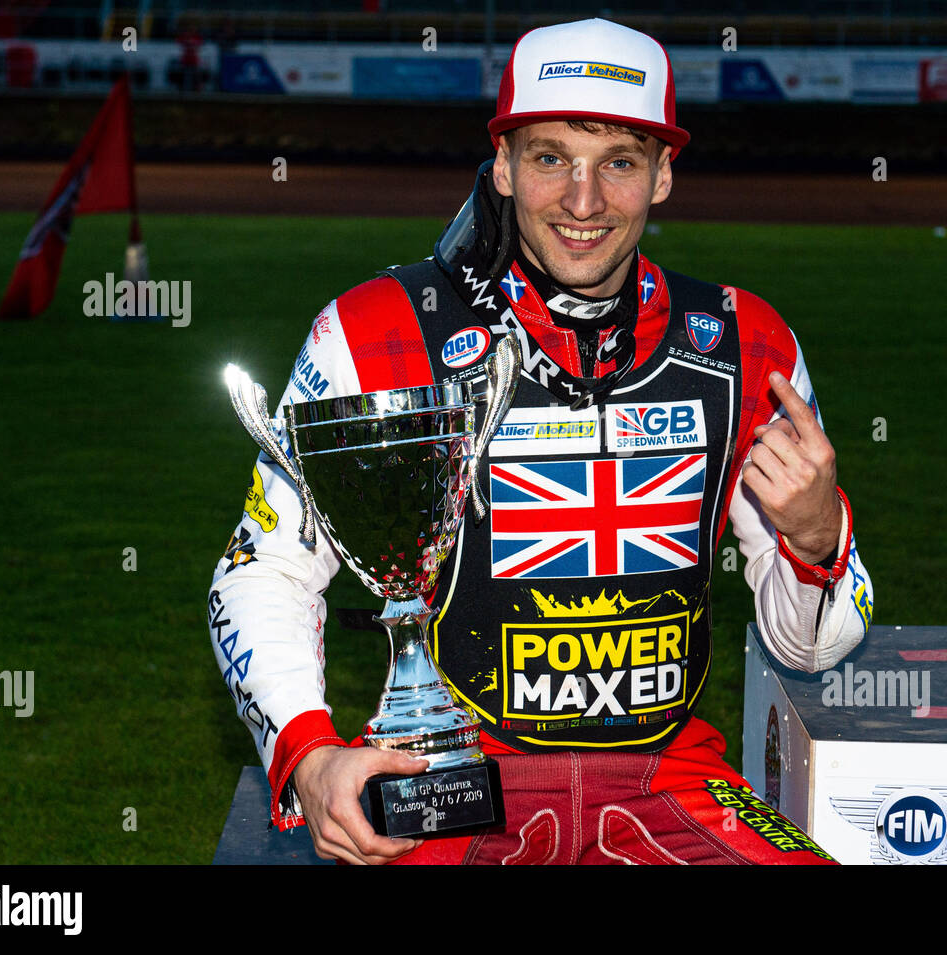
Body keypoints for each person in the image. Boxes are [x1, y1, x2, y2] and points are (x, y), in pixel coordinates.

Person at [209, 18, 873, 865]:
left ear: (665, 175)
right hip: (440, 774)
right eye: (552, 157)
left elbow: (813, 647)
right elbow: (261, 569)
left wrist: (818, 538)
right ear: (502, 165)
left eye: (620, 163)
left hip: (668, 777)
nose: (584, 200)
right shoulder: (379, 331)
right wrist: (308, 757)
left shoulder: (748, 344)